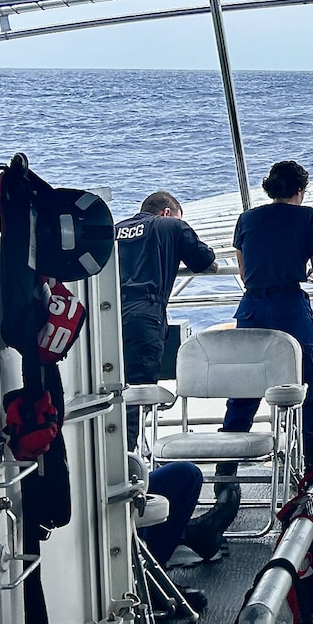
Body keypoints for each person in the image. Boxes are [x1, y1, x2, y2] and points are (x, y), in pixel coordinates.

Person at [117, 191, 235, 574]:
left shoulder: (115, 231)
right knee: (135, 398)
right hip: (142, 319)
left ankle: (120, 472)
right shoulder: (171, 226)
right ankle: (128, 483)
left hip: (104, 324)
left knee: (110, 399)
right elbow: (203, 259)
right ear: (168, 211)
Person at [222, 160, 313, 462]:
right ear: (300, 190)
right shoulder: (307, 217)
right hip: (289, 307)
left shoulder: (247, 219)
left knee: (246, 385)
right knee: (309, 379)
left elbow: (245, 273)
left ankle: (226, 474)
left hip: (252, 307)